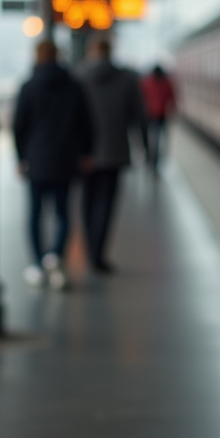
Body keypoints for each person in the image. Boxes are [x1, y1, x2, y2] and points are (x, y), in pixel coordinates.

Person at [12, 41, 93, 290]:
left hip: (36, 161)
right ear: (58, 56)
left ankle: (37, 264)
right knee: (63, 213)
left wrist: (20, 158)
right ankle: (55, 255)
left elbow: (18, 126)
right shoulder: (74, 86)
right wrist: (86, 153)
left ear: (36, 57)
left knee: (35, 214)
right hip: (66, 159)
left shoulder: (28, 87)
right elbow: (86, 123)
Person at [75, 38, 146, 274]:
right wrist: (145, 149)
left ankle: (89, 248)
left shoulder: (79, 77)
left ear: (91, 51)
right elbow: (139, 117)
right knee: (106, 203)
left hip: (85, 153)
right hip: (115, 151)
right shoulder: (127, 78)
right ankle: (98, 254)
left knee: (86, 201)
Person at [140, 64, 176, 171]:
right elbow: (172, 97)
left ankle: (152, 158)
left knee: (153, 139)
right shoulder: (166, 82)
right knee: (158, 139)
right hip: (160, 115)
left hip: (150, 115)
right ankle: (155, 159)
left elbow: (141, 97)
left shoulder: (146, 82)